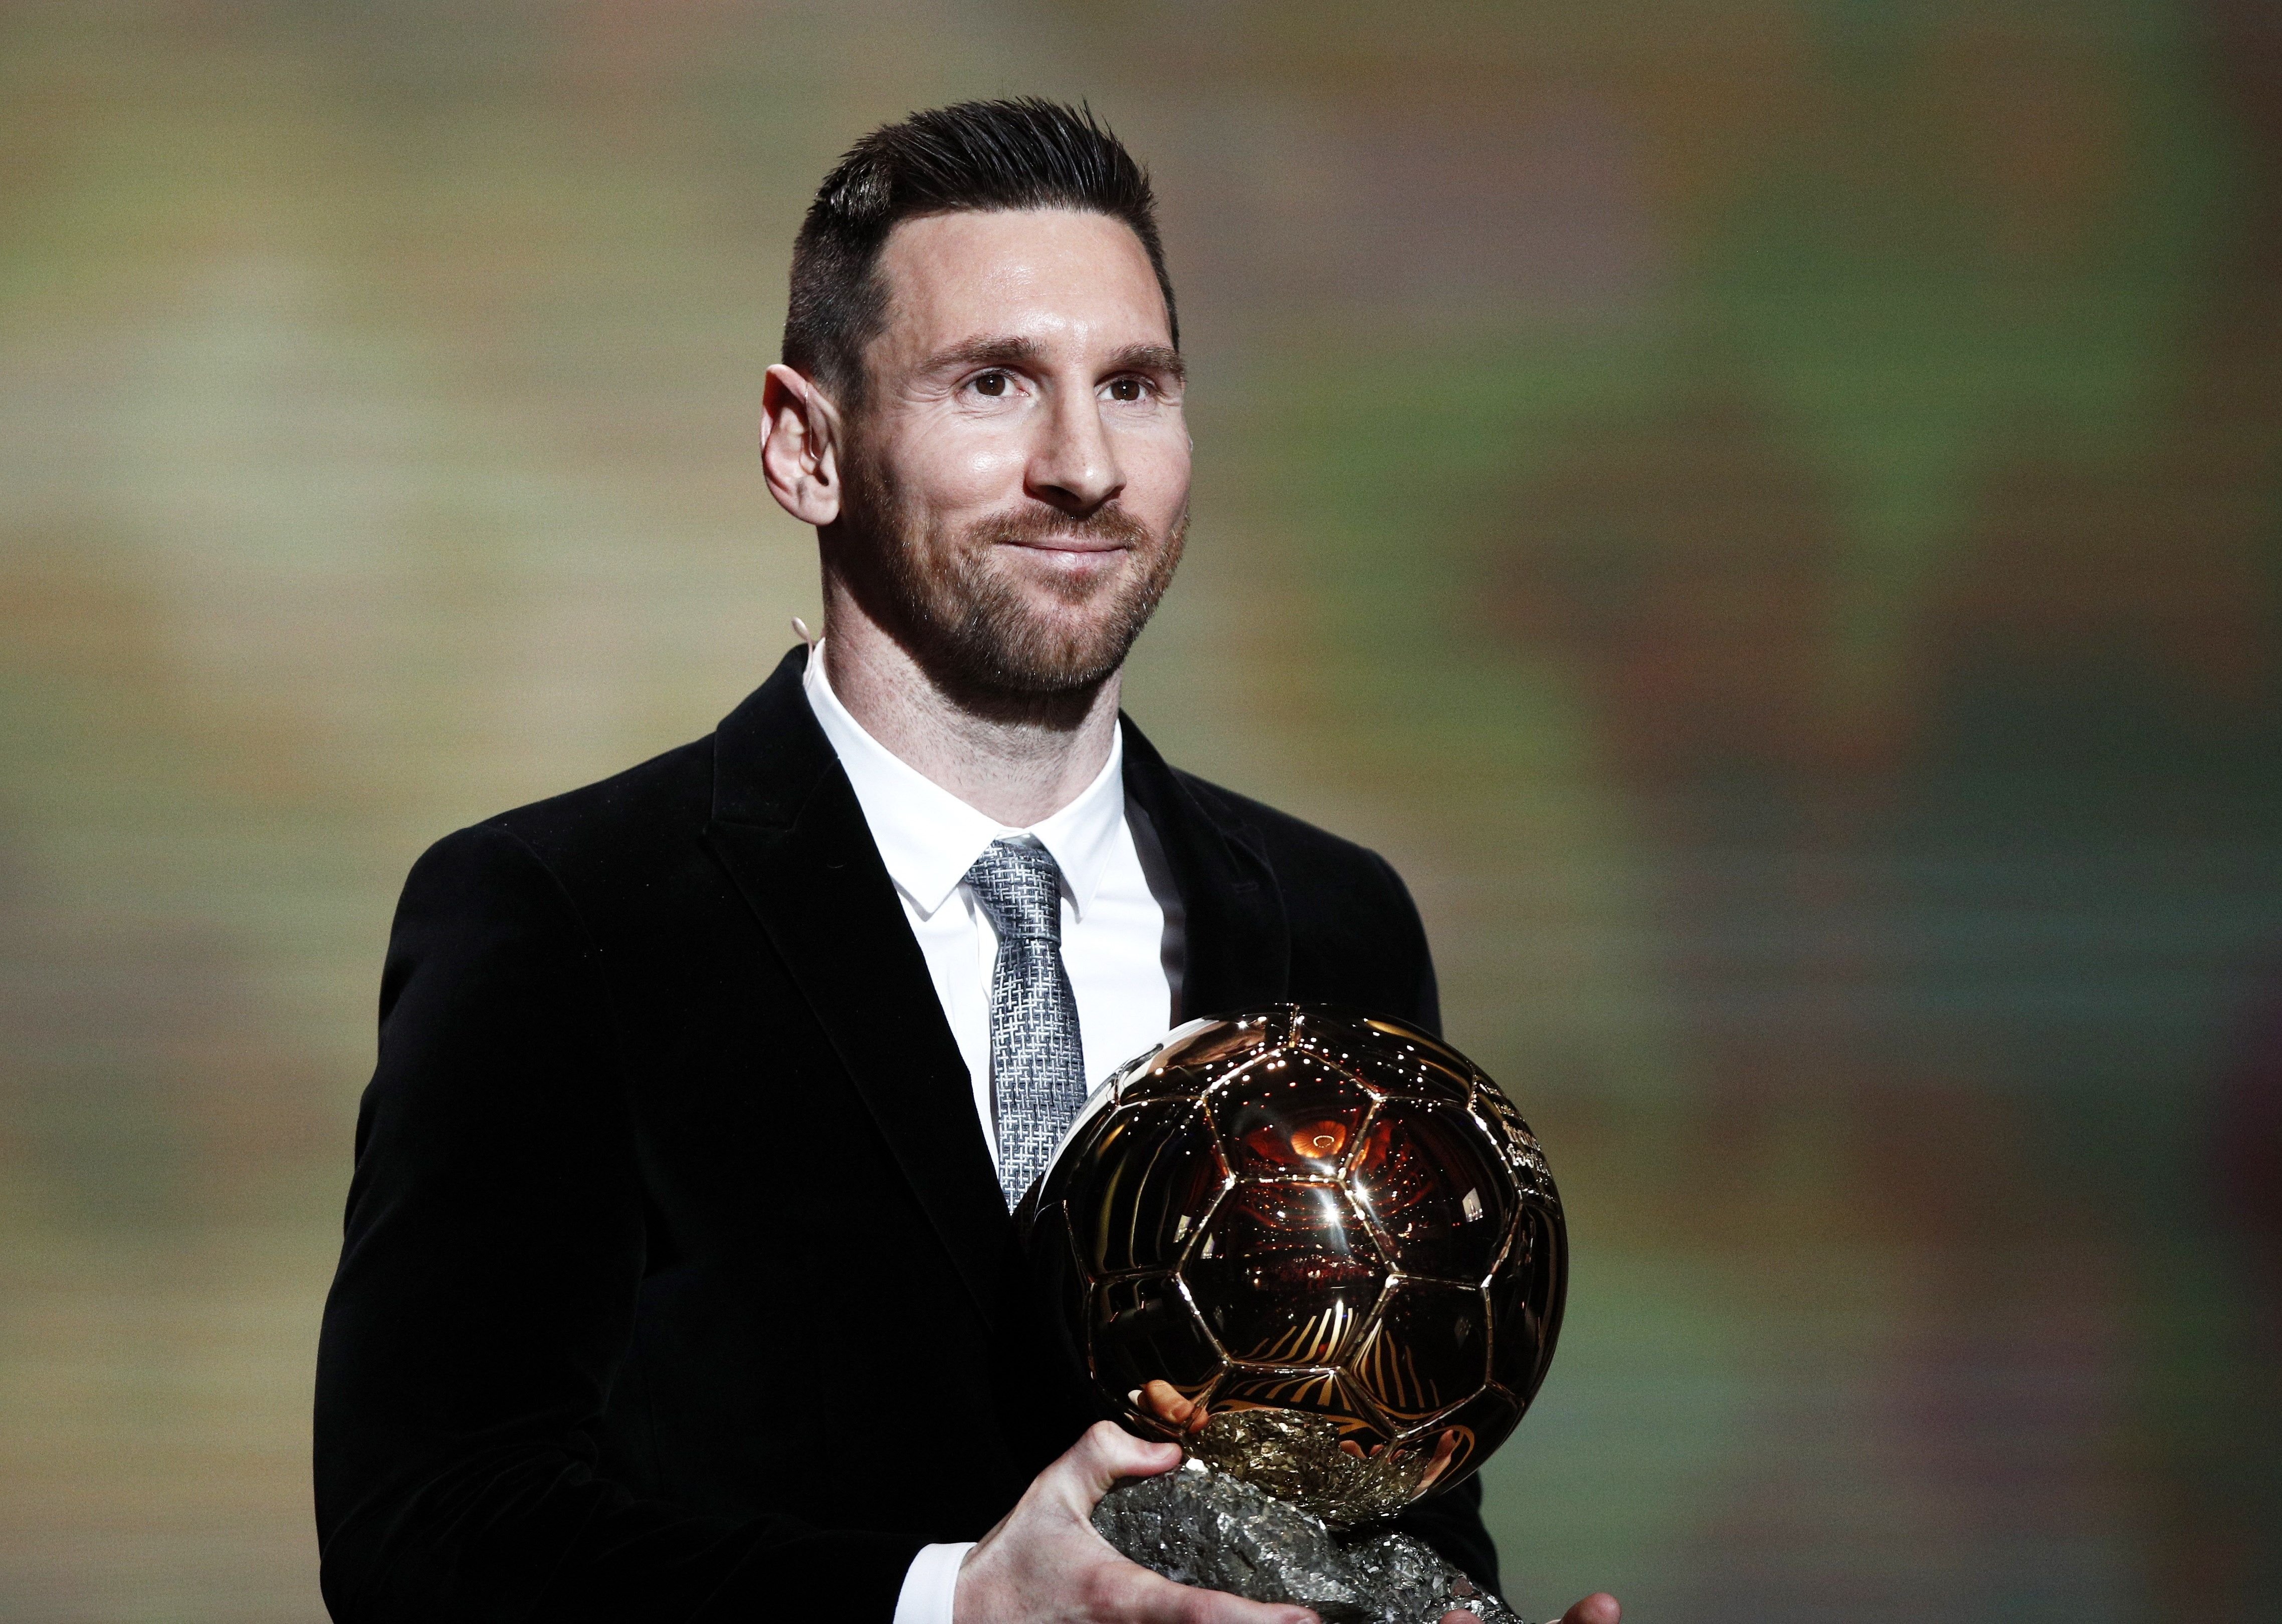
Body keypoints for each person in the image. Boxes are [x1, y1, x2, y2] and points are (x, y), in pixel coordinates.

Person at [313, 98, 1621, 1624]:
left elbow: (1386, 1486)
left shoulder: (1332, 920)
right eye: (993, 383)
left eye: (1132, 385)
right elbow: (431, 1536)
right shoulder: (565, 918)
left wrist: (1448, 1611)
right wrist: (952, 1606)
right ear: (806, 446)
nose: (1083, 465)